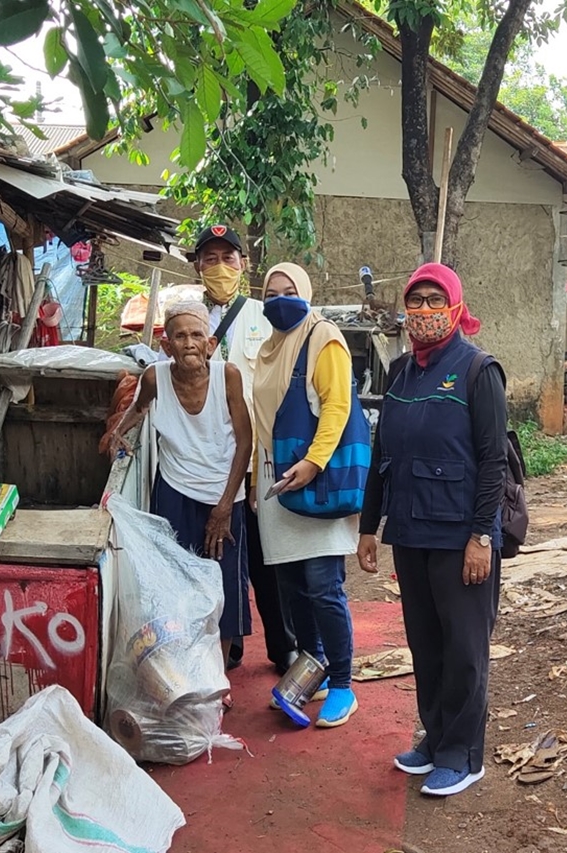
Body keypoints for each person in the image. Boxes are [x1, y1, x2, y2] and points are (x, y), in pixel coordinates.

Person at [357, 262, 507, 796]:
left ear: (456, 306)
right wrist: (370, 525)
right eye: (415, 300)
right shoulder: (400, 372)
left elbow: (494, 462)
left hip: (460, 535)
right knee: (425, 642)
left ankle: (463, 755)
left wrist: (482, 535)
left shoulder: (477, 370)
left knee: (465, 648)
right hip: (411, 532)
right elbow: (383, 454)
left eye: (433, 300)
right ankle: (435, 736)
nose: (423, 311)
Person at [111, 301, 254, 672]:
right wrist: (116, 433)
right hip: (174, 490)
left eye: (196, 335)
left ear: (209, 343)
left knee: (223, 586)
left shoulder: (229, 376)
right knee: (174, 581)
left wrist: (224, 507)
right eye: (179, 336)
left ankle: (216, 675)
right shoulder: (156, 377)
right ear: (166, 345)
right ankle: (182, 667)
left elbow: (245, 441)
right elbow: (139, 408)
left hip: (224, 494)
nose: (188, 343)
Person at [252, 261, 361, 728]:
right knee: (292, 588)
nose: (279, 299)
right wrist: (254, 483)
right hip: (276, 484)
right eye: (271, 292)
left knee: (323, 586)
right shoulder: (267, 349)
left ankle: (342, 684)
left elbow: (337, 406)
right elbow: (261, 425)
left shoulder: (324, 338)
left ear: (307, 293)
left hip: (314, 480)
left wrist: (314, 461)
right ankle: (310, 669)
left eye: (289, 290)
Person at [191, 226, 299, 676]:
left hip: (256, 459)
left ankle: (283, 645)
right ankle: (225, 645)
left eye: (228, 258)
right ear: (197, 265)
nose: (220, 267)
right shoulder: (187, 317)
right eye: (210, 258)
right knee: (211, 555)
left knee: (264, 558)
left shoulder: (262, 316)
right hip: (205, 461)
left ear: (244, 264)